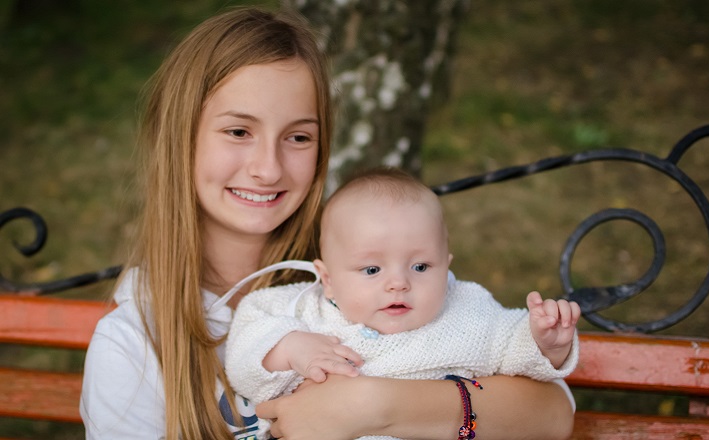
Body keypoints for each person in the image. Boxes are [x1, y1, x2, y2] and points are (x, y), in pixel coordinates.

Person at [79, 6, 577, 440]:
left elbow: (552, 415)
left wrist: (369, 408)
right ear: (178, 135)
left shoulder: (368, 278)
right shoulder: (134, 345)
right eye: (238, 131)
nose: (268, 168)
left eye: (298, 137)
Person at [225, 168, 581, 440]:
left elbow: (516, 351)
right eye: (372, 269)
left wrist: (544, 343)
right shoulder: (301, 311)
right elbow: (247, 348)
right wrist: (288, 347)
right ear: (328, 279)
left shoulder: (468, 313)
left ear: (447, 265)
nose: (399, 283)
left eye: (421, 266)